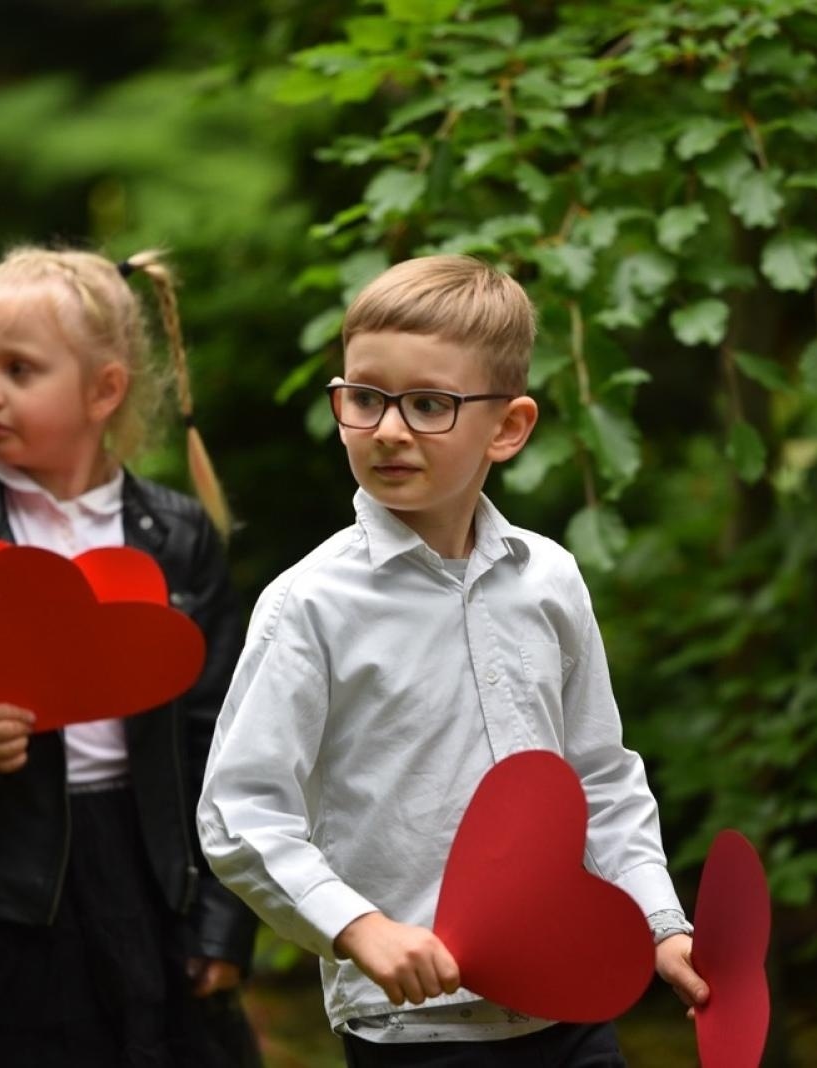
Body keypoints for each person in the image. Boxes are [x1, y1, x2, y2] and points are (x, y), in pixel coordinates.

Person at [197, 254, 706, 1067]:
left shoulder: (549, 580)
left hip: (569, 1000)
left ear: (508, 428)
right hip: (417, 1026)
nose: (388, 430)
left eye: (429, 404)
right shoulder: (310, 606)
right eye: (363, 399)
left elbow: (600, 777)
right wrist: (358, 928)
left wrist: (658, 921)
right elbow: (240, 812)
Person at [0, 248, 260, 1068]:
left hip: (152, 877)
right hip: (6, 894)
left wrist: (222, 918)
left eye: (19, 369)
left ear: (104, 391)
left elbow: (222, 738)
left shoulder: (173, 538)